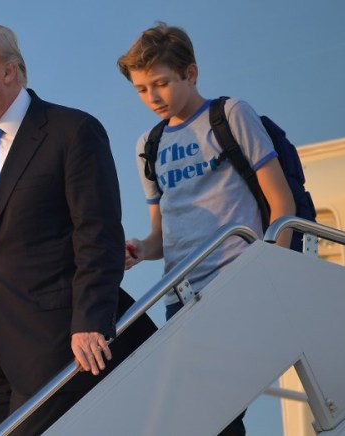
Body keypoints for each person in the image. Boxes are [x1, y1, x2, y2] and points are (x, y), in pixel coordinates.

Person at [0, 24, 125, 435]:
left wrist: (90, 320)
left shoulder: (72, 132)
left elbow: (97, 236)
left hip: (52, 342)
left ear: (10, 71)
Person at [117, 22, 295, 435]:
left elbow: (280, 202)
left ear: (191, 73)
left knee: (216, 406)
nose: (152, 97)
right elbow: (161, 235)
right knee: (202, 415)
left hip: (239, 279)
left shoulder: (230, 115)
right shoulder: (148, 145)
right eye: (142, 89)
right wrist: (141, 248)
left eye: (160, 83)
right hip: (181, 295)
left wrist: (274, 269)